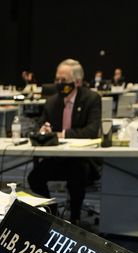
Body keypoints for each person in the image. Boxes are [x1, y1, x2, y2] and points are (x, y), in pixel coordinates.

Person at [26, 59, 101, 225]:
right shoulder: (52, 101)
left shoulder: (92, 99)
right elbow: (40, 125)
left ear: (78, 82)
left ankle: (75, 219)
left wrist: (61, 134)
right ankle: (53, 214)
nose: (59, 84)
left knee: (77, 176)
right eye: (57, 80)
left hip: (82, 159)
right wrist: (42, 130)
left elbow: (91, 131)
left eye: (64, 81)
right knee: (34, 178)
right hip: (57, 157)